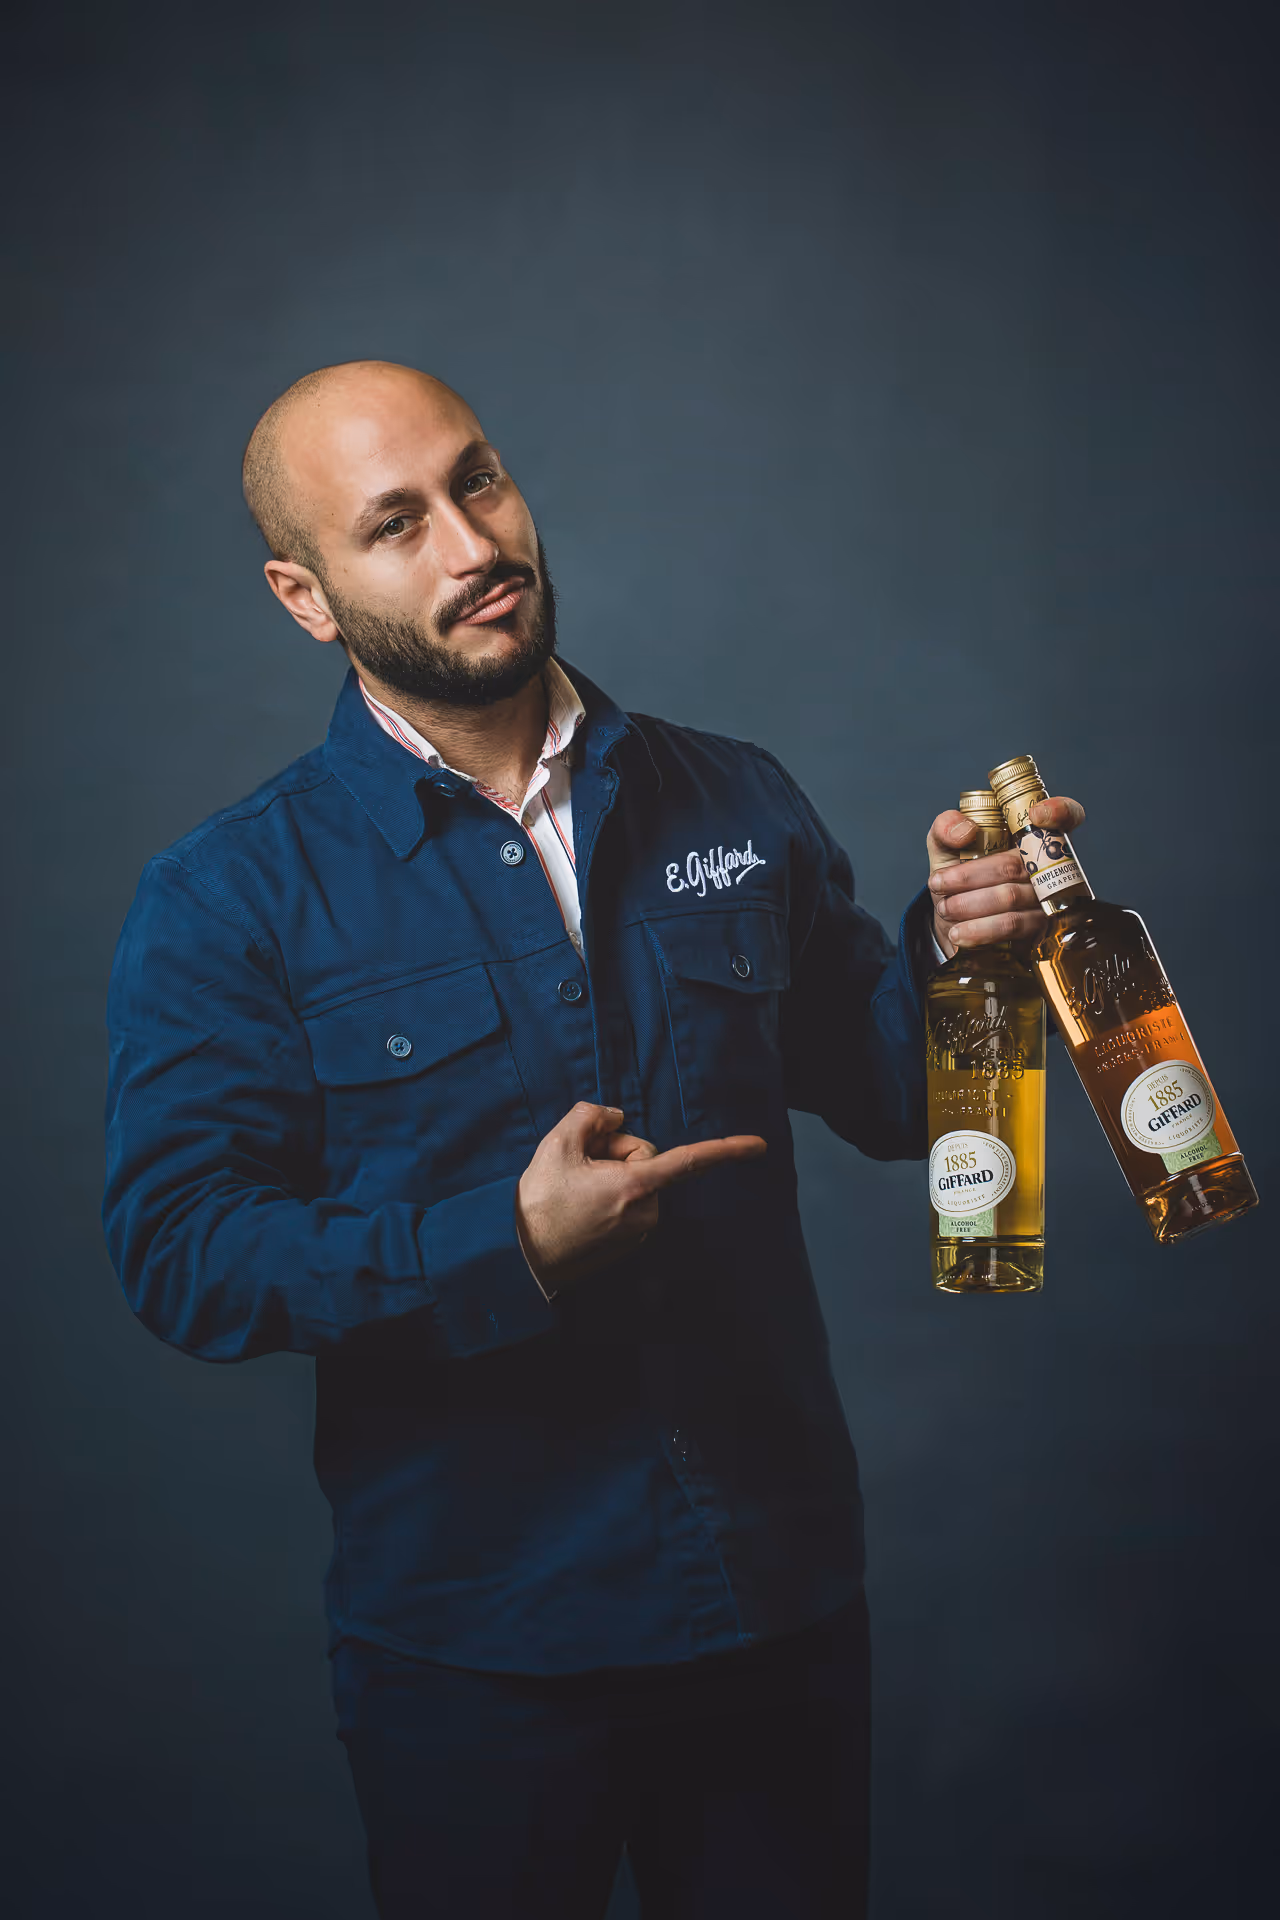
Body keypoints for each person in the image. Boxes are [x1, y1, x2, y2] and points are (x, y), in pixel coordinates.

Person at [103, 361, 1082, 1918]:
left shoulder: (734, 799)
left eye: (478, 481)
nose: (470, 544)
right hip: (476, 1654)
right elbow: (182, 1253)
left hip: (776, 1611)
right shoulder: (230, 897)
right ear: (305, 596)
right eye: (395, 525)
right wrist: (505, 1247)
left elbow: (905, 1103)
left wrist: (970, 959)